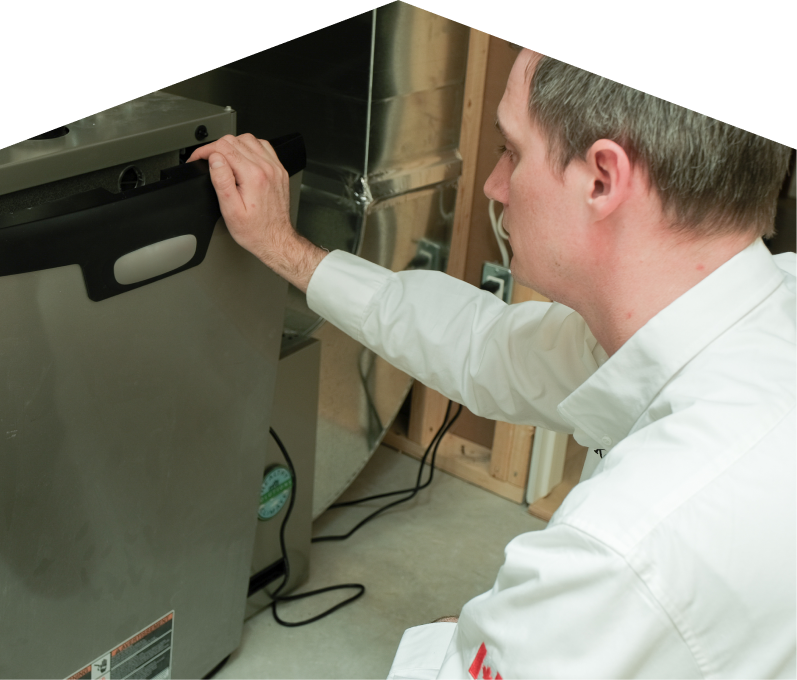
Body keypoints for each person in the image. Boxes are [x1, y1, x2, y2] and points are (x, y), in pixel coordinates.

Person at [189, 48, 796, 679]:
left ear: (602, 179)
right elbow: (484, 346)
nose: (493, 184)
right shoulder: (753, 312)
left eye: (511, 150)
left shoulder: (622, 550)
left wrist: (472, 638)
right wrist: (285, 248)